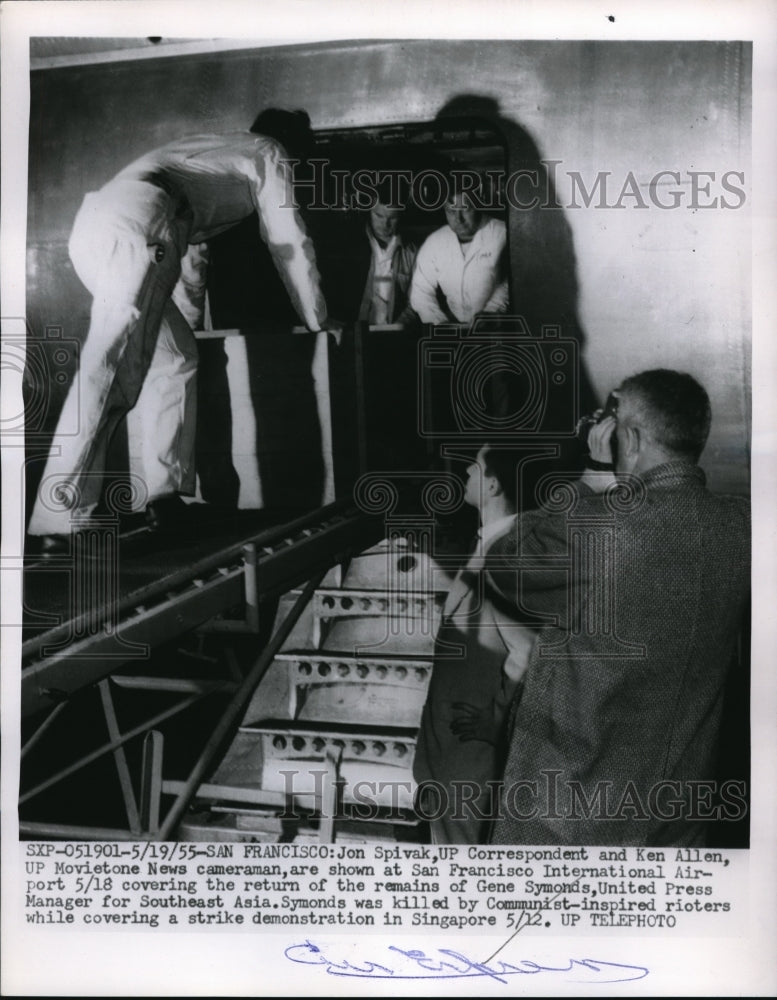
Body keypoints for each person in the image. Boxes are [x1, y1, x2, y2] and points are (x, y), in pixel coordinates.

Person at [28, 109, 340, 553]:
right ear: (290, 144)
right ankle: (59, 519)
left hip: (105, 227)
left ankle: (165, 496)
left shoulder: (211, 154)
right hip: (140, 226)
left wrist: (187, 323)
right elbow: (288, 238)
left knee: (176, 357)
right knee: (111, 370)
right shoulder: (269, 152)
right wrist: (318, 320)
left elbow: (190, 254)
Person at [486, 369, 750, 846]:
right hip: (677, 814)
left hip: (569, 816)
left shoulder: (598, 528)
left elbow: (505, 566)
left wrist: (590, 471)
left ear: (628, 437)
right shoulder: (742, 525)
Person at [412, 445, 536, 843]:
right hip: (450, 755)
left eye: (476, 467)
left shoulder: (506, 554)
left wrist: (497, 718)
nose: (467, 469)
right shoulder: (491, 544)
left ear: (494, 485)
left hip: (471, 757)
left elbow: (528, 650)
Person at [409, 178, 508, 325]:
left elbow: (513, 282)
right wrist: (439, 322)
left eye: (466, 209)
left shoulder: (503, 233)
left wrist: (492, 313)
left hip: (499, 329)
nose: (458, 218)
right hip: (452, 331)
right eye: (451, 211)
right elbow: (420, 291)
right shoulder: (435, 242)